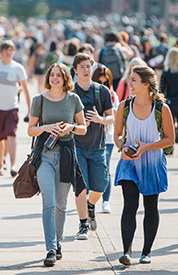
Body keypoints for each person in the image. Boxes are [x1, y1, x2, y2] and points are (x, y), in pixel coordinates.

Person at [114, 65, 175, 265]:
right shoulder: (124, 106)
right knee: (129, 205)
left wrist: (147, 147)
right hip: (129, 162)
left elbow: (170, 139)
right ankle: (126, 252)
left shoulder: (161, 109)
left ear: (145, 84)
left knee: (151, 206)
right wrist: (123, 147)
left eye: (133, 80)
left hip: (152, 162)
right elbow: (117, 135)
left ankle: (146, 252)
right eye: (130, 79)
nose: (129, 83)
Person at [28, 63, 87, 267]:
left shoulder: (73, 99)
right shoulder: (39, 100)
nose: (55, 78)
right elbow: (30, 130)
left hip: (66, 156)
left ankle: (58, 241)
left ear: (65, 79)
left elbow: (83, 128)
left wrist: (71, 126)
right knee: (49, 202)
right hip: (44, 156)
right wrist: (46, 127)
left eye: (58, 75)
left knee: (61, 204)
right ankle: (51, 248)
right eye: (52, 75)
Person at [72, 53, 114, 239]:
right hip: (77, 147)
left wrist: (99, 119)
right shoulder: (70, 93)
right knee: (81, 187)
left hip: (98, 147)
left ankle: (91, 206)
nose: (86, 70)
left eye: (88, 66)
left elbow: (112, 117)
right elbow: (64, 120)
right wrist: (79, 126)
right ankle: (83, 225)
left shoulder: (101, 91)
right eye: (82, 67)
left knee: (100, 187)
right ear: (75, 70)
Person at [0, 40, 31, 176]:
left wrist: (30, 111)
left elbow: (25, 89)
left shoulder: (18, 68)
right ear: (1, 52)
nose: (8, 52)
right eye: (5, 49)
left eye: (10, 50)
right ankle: (0, 166)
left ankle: (13, 165)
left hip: (12, 108)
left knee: (11, 135)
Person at [91, 65, 119, 213]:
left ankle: (105, 200)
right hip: (91, 137)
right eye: (99, 82)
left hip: (107, 138)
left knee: (105, 168)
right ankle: (91, 198)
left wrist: (103, 118)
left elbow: (115, 116)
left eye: (105, 83)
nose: (103, 86)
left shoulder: (113, 95)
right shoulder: (89, 93)